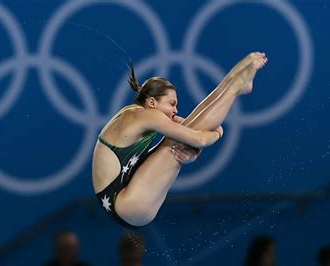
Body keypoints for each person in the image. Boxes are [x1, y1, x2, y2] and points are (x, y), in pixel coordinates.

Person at [92, 52, 268, 228]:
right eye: (172, 104)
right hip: (127, 204)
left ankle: (232, 82)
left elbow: (195, 127)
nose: (175, 110)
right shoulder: (146, 117)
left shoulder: (140, 114)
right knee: (175, 144)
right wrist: (217, 134)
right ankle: (234, 86)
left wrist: (193, 155)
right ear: (152, 103)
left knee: (181, 137)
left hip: (124, 197)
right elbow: (199, 138)